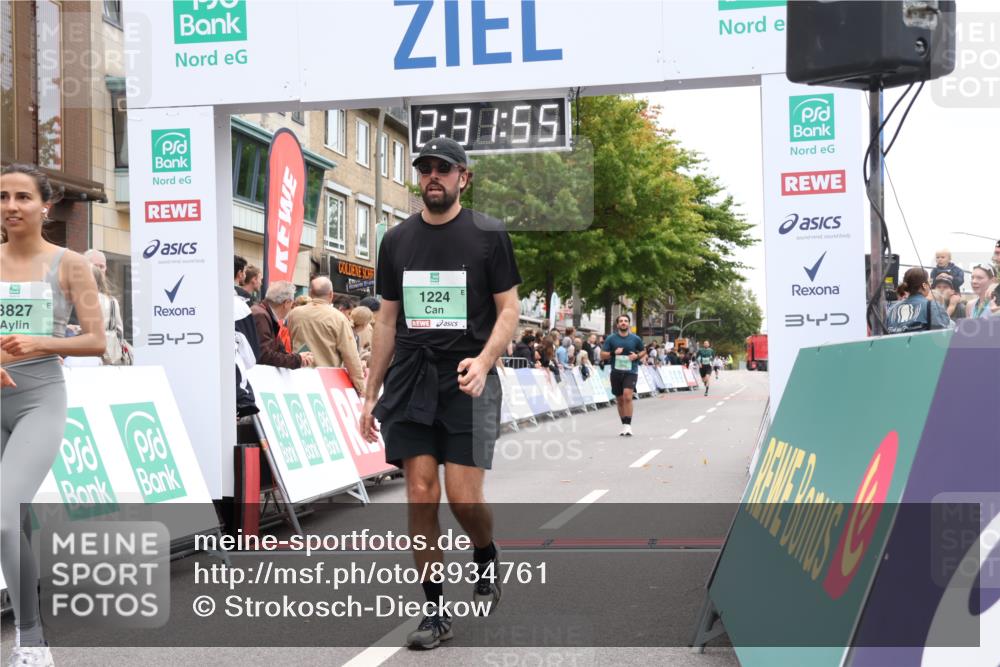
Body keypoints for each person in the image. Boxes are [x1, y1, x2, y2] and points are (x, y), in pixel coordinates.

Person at [359, 137, 521, 650]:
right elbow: (385, 321)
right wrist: (369, 394)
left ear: (463, 178)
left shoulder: (489, 235)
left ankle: (486, 549)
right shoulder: (397, 240)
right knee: (421, 493)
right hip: (412, 375)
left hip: (467, 377)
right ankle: (434, 613)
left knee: (464, 500)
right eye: (425, 168)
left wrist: (486, 360)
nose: (433, 176)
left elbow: (510, 310)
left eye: (443, 169)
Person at [2, 163, 108, 666]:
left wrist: (41, 342)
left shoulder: (69, 264)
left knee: (3, 520)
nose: (11, 207)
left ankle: (31, 639)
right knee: (12, 522)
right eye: (3, 198)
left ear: (45, 205)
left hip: (39, 399)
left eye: (23, 197)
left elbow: (97, 340)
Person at [286, 276, 365, 393]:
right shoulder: (339, 318)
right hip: (328, 381)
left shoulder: (294, 314)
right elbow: (350, 356)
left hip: (299, 376)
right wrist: (360, 387)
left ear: (310, 293)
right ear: (331, 294)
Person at [251, 281, 315, 369]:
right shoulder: (261, 316)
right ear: (286, 303)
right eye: (292, 304)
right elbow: (265, 355)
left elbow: (274, 352)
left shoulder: (264, 314)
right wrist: (297, 359)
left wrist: (298, 358)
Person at [601, 314, 645, 436]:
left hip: (631, 371)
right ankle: (624, 424)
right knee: (620, 399)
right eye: (621, 321)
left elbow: (643, 350)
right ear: (617, 324)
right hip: (616, 372)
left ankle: (628, 425)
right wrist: (613, 353)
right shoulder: (611, 339)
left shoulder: (635, 339)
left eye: (626, 321)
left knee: (627, 396)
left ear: (629, 323)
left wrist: (636, 356)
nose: (623, 323)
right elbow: (602, 355)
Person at [886, 267, 953, 332]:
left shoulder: (892, 309)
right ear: (924, 285)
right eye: (930, 281)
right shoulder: (932, 306)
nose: (930, 285)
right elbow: (943, 334)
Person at [92, 264, 131, 365]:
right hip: (112, 354)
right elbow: (119, 331)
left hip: (86, 355)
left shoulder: (79, 300)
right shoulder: (112, 301)